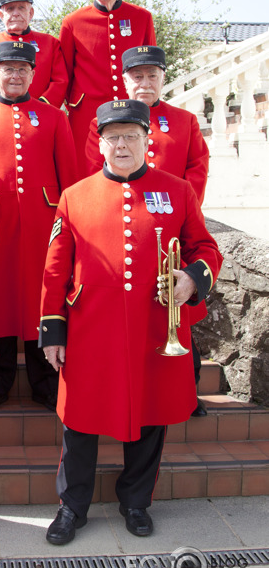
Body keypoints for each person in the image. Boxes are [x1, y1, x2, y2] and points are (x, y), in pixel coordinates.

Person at [40, 99, 222, 545]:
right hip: (90, 329)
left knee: (149, 417)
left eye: (131, 136)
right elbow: (55, 269)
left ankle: (136, 502)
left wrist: (191, 279)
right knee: (80, 422)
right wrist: (52, 330)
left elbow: (205, 248)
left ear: (146, 141)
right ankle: (71, 507)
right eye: (113, 137)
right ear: (100, 144)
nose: (122, 145)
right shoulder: (74, 195)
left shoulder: (177, 190)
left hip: (153, 328)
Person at [85, 45, 211, 416]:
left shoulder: (185, 121)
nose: (144, 83)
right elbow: (96, 171)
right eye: (136, 76)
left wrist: (180, 214)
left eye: (151, 75)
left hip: (172, 228)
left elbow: (196, 170)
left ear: (162, 78)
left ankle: (189, 387)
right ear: (125, 80)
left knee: (181, 311)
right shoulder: (108, 123)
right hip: (129, 230)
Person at [0, 41, 77, 413]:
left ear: (32, 74)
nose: (15, 75)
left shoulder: (55, 117)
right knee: (1, 300)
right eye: (7, 68)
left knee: (41, 297)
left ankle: (45, 380)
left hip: (45, 225)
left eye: (23, 69)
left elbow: (70, 178)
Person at [60, 0, 156, 172]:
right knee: (85, 170)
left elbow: (151, 67)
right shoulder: (73, 22)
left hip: (129, 108)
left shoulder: (141, 18)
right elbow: (63, 71)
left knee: (130, 165)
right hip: (86, 112)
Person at [0, 0, 67, 107]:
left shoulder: (50, 43)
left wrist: (42, 105)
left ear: (31, 13)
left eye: (21, 8)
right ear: (1, 15)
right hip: (1, 115)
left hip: (41, 113)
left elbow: (60, 81)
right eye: (10, 9)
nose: (16, 14)